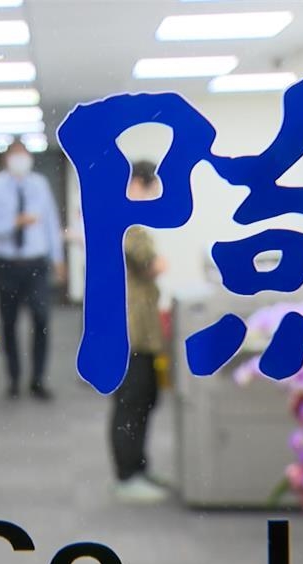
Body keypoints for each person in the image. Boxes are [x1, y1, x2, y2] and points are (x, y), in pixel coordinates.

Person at [0, 140, 64, 401]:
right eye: (15, 155)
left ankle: (38, 379)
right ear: (6, 159)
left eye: (24, 154)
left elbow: (50, 222)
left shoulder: (40, 185)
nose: (20, 159)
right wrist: (15, 222)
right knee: (9, 323)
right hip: (8, 264)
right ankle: (14, 379)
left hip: (36, 263)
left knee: (41, 319)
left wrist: (58, 258)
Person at [110, 161, 170, 503]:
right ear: (138, 184)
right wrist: (157, 265)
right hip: (128, 330)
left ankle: (139, 467)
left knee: (146, 398)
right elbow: (150, 262)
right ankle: (126, 476)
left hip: (142, 329)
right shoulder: (125, 218)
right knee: (130, 402)